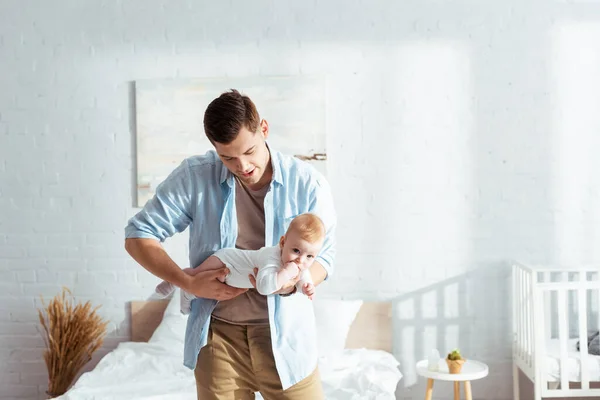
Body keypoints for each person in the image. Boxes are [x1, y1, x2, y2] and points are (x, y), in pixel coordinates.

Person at [124, 89, 336, 400]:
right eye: (228, 157)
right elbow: (138, 235)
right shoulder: (194, 177)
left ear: (263, 129)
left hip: (286, 336)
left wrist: (290, 282)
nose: (243, 166)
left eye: (249, 151)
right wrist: (187, 282)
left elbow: (326, 257)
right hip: (218, 337)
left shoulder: (307, 183)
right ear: (214, 148)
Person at [155, 212, 325, 314]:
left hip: (232, 278)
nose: (300, 261)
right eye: (296, 251)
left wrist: (306, 287)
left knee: (207, 287)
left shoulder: (298, 264)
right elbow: (265, 287)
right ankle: (175, 281)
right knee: (198, 273)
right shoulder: (271, 257)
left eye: (310, 256)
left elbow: (303, 275)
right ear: (282, 243)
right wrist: (286, 274)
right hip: (227, 260)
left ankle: (188, 294)